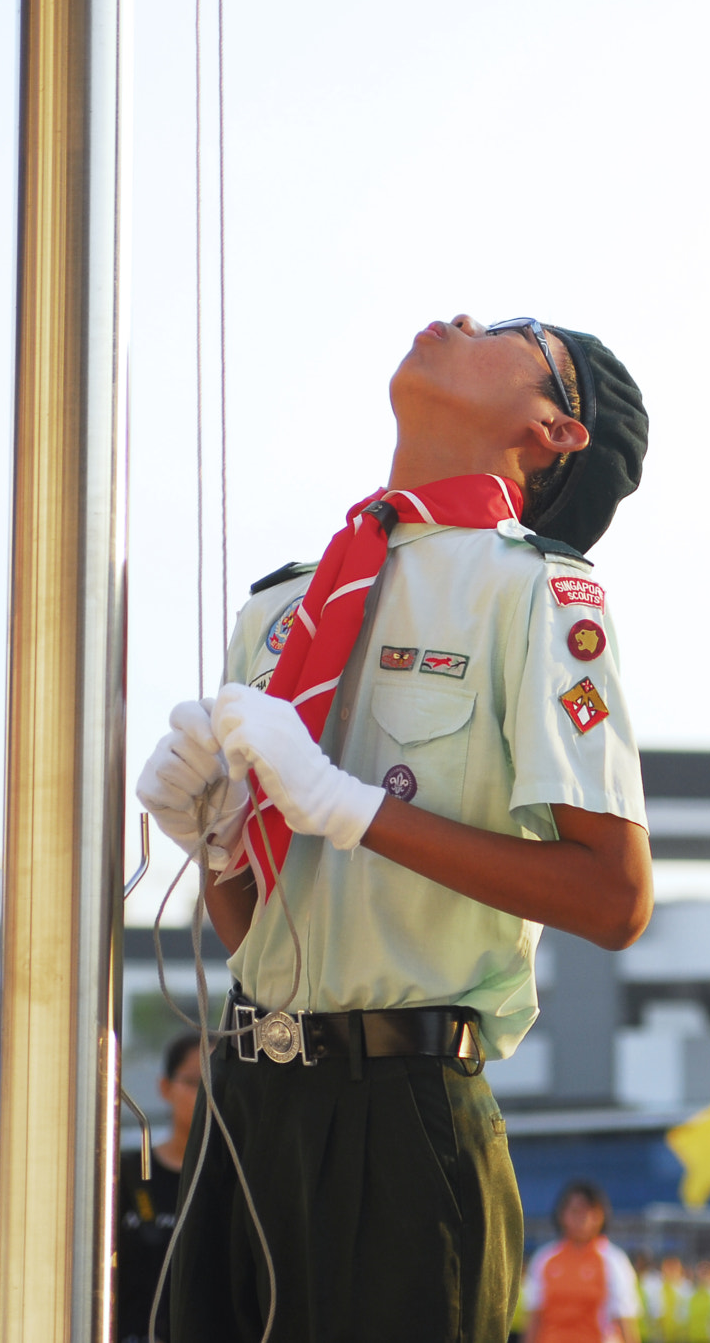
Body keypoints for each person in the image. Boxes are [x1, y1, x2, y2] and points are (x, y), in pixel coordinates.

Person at [138, 313, 652, 1343]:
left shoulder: (535, 596)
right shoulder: (285, 607)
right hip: (247, 1104)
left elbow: (613, 896)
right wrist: (218, 843)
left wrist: (351, 808)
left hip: (402, 1117)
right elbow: (256, 937)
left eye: (514, 336)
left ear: (556, 431)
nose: (464, 321)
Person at [119, 1032, 202, 1343]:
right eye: (195, 1082)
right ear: (165, 1087)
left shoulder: (240, 1184)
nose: (209, 1095)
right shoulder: (127, 1176)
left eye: (219, 1083)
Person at [522, 1179, 641, 1343]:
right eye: (575, 1211)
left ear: (601, 1216)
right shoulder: (544, 1259)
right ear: (562, 1215)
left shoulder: (614, 1261)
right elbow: (535, 1318)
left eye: (590, 1211)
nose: (583, 1218)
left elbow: (625, 1321)